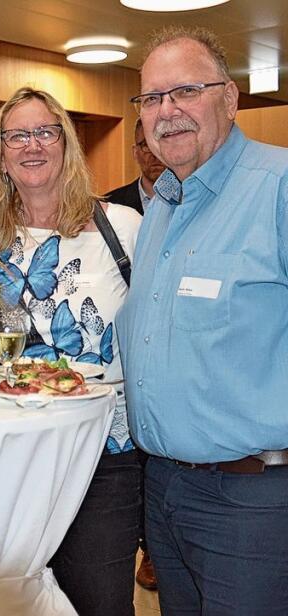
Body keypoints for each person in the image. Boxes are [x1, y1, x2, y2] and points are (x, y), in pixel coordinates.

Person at [116, 25, 288, 615]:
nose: (168, 112)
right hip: (164, 489)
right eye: (152, 99)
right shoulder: (163, 205)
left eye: (186, 90)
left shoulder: (279, 187)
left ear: (230, 98)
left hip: (254, 501)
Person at [0, 86, 143, 616]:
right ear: (1, 156)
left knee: (100, 600)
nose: (32, 145)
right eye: (17, 135)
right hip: (15, 458)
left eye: (45, 132)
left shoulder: (123, 227)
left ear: (66, 145)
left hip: (105, 457)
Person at [105, 116, 166, 593]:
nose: (149, 152)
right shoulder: (112, 210)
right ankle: (150, 546)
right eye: (140, 145)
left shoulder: (189, 199)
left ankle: (154, 547)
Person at [105, 117, 166, 215]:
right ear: (135, 153)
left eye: (161, 143)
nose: (155, 154)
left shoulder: (192, 198)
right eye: (146, 145)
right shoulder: (109, 205)